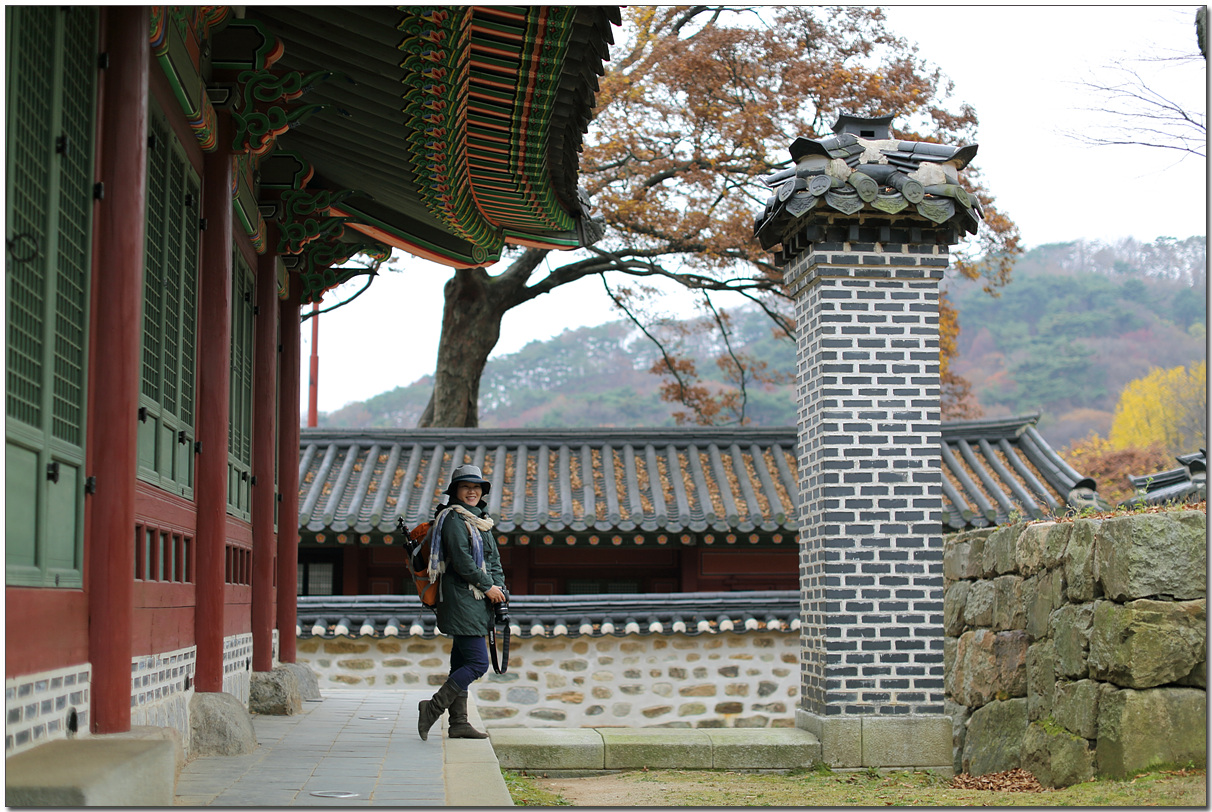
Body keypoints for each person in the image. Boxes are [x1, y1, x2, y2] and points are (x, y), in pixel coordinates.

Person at [417, 464, 507, 741]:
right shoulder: (453, 519)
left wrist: (499, 588)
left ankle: (459, 723)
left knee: (460, 663)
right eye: (466, 487)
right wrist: (487, 586)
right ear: (455, 491)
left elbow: (493, 560)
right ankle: (432, 708)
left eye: (476, 487)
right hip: (460, 599)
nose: (471, 491)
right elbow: (461, 561)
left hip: (479, 600)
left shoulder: (481, 521)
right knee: (478, 663)